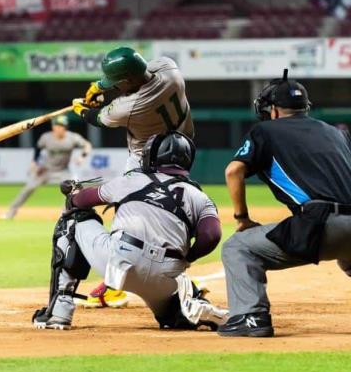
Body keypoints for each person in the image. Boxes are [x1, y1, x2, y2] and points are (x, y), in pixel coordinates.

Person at [218, 69, 351, 337]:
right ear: (304, 107)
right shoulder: (337, 133)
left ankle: (251, 317)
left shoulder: (264, 131)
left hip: (320, 227)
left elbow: (233, 171)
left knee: (238, 247)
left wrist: (242, 218)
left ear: (272, 110)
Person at [31, 131, 227, 331]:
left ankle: (59, 311)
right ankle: (194, 306)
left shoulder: (132, 179)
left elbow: (81, 201)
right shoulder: (200, 197)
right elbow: (212, 235)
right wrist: (188, 257)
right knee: (171, 316)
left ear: (151, 156)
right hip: (166, 275)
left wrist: (73, 194)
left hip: (121, 264)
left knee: (73, 218)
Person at [72, 46, 195, 307]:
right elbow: (137, 76)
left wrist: (81, 109)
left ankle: (114, 286)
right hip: (180, 154)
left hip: (145, 162)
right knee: (170, 217)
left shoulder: (129, 107)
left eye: (117, 83)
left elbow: (99, 118)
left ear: (127, 81)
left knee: (127, 219)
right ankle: (180, 279)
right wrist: (101, 86)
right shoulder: (168, 67)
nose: (114, 87)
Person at [3, 115, 91, 220]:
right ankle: (10, 213)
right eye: (58, 125)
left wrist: (82, 156)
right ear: (53, 127)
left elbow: (87, 145)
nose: (60, 128)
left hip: (63, 171)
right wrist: (35, 162)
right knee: (28, 188)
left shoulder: (72, 137)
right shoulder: (46, 137)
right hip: (46, 170)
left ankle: (65, 214)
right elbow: (38, 148)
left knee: (74, 190)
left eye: (63, 126)